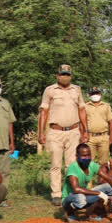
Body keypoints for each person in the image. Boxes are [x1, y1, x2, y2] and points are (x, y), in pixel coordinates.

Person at [38, 64, 89, 206]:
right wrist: (41, 132)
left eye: (68, 74)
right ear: (57, 76)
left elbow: (82, 110)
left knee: (71, 164)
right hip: (55, 132)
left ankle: (69, 192)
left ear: (71, 76)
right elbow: (44, 112)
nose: (65, 77)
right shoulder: (50, 90)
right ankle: (56, 194)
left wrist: (85, 130)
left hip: (73, 132)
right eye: (63, 74)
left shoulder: (76, 90)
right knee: (55, 164)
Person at [61, 143, 112, 223]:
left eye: (89, 155)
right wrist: (98, 193)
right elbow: (76, 189)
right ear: (77, 156)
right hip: (70, 197)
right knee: (80, 198)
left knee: (110, 187)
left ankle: (94, 214)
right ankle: (69, 213)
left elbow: (110, 179)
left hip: (84, 194)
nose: (87, 158)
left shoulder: (92, 165)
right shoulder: (73, 168)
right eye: (84, 156)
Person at [84, 86, 112, 164]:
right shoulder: (85, 106)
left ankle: (102, 176)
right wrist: (83, 135)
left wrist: (111, 138)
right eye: (93, 93)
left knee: (103, 162)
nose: (95, 95)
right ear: (90, 95)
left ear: (100, 94)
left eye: (96, 93)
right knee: (89, 161)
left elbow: (111, 122)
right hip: (90, 138)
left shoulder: (106, 106)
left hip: (103, 137)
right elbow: (82, 122)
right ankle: (89, 176)